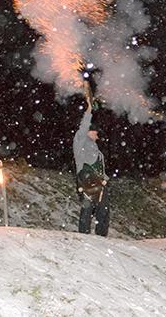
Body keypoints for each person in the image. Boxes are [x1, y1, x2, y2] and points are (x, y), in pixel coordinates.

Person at [73, 87, 110, 236]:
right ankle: (83, 234)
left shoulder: (96, 148)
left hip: (99, 181)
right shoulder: (80, 140)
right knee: (87, 207)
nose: (97, 136)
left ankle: (101, 236)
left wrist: (105, 178)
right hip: (87, 178)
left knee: (104, 209)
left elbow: (100, 166)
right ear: (90, 132)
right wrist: (89, 111)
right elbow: (83, 127)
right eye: (95, 133)